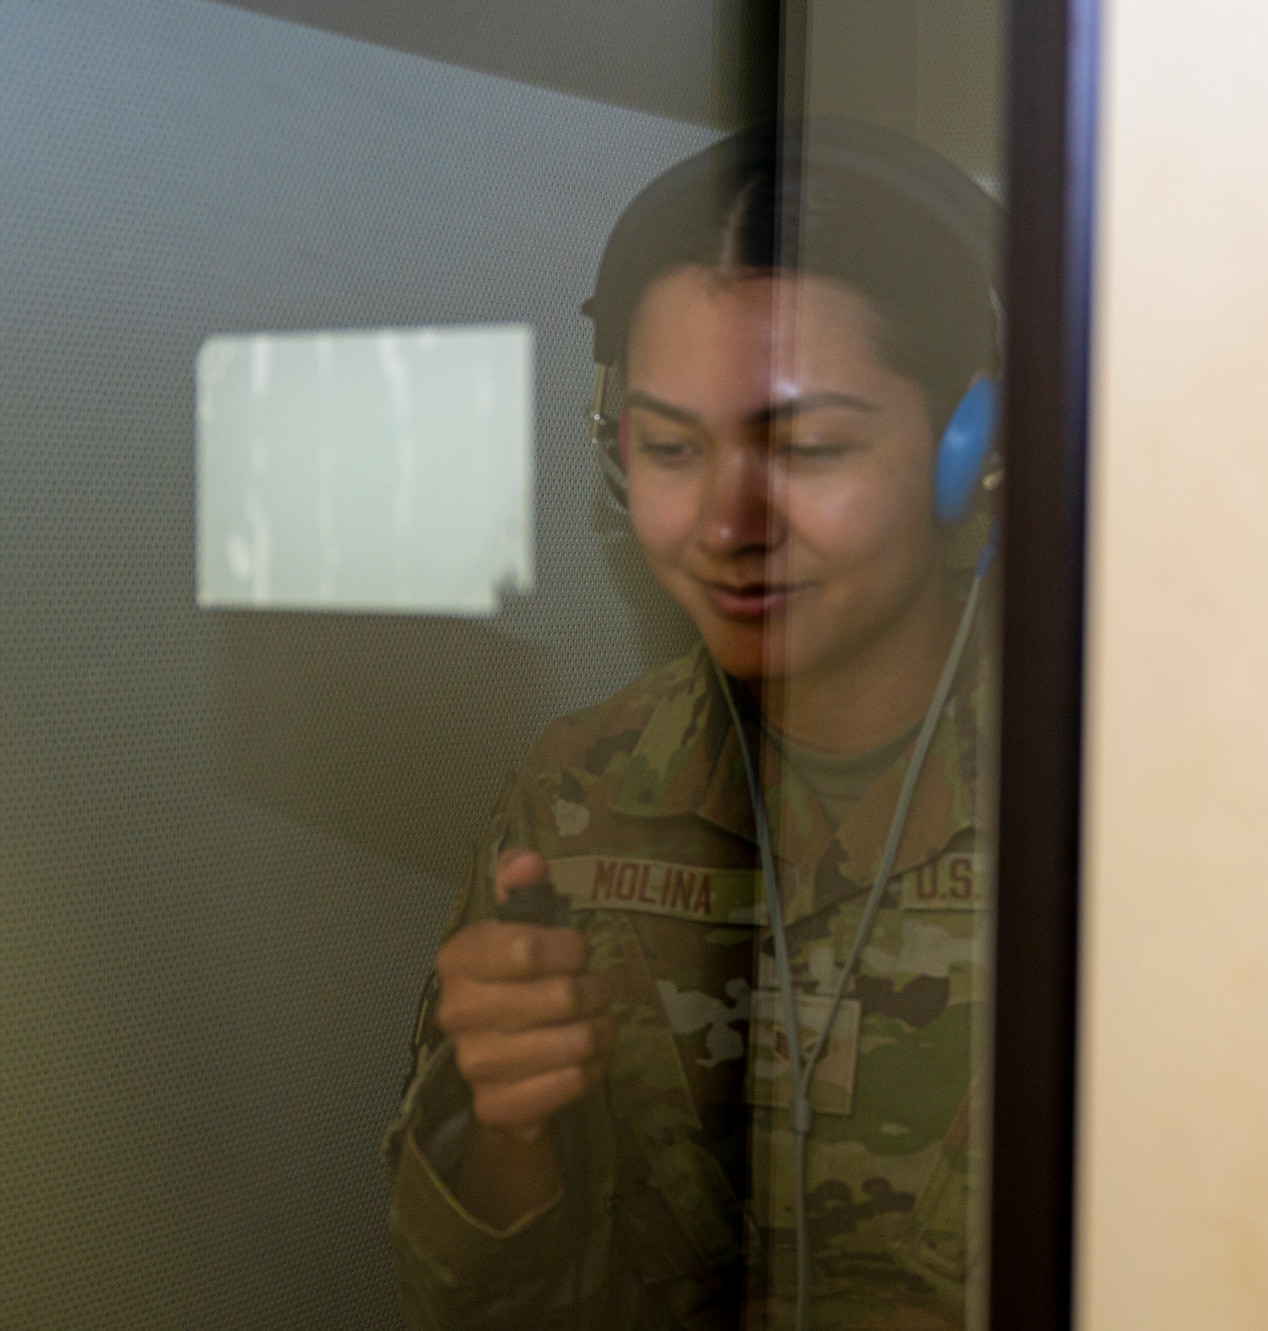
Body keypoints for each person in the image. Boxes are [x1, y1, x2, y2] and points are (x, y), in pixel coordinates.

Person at [382, 120, 1002, 1331]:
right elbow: (479, 1306)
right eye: (670, 447)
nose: (728, 522)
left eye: (810, 447)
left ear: (966, 452)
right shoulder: (576, 795)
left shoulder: (1138, 813)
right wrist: (508, 1129)